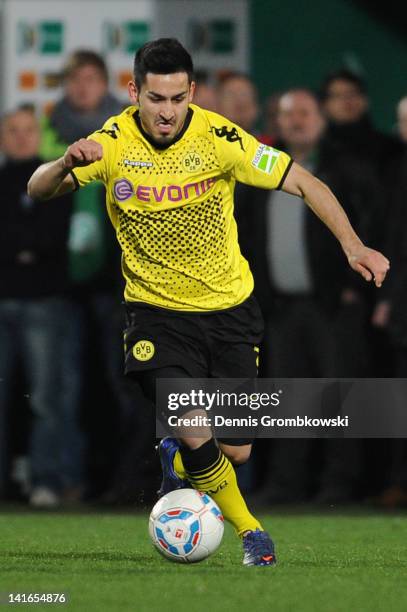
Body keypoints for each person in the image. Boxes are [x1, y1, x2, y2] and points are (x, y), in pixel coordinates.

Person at [27, 38, 389, 566]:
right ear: (134, 93)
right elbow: (38, 190)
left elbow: (306, 182)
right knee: (193, 421)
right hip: (155, 315)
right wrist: (64, 162)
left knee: (236, 449)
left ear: (192, 92)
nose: (167, 111)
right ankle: (251, 533)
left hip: (229, 314)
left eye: (177, 99)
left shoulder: (221, 138)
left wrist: (354, 245)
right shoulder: (111, 142)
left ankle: (181, 455)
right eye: (156, 99)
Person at [0, 106, 84, 507]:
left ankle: (45, 481)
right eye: (12, 130)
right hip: (4, 300)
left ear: (39, 135)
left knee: (47, 400)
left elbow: (54, 237)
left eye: (27, 130)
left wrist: (21, 247)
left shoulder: (56, 179)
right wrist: (24, 248)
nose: (19, 137)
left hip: (46, 303)